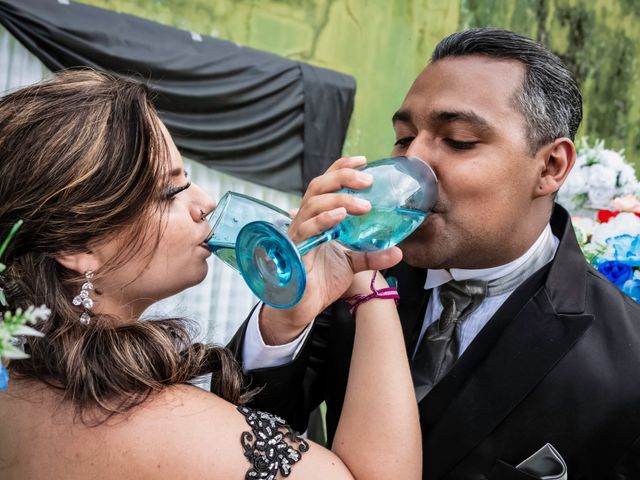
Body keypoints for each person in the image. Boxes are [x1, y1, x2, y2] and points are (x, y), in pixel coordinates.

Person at [230, 28, 640, 478]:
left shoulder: (626, 361)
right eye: (404, 138)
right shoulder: (353, 274)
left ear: (550, 167)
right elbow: (242, 439)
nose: (414, 161)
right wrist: (283, 321)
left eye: (459, 139)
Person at [0, 70, 423, 479]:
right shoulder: (169, 427)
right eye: (170, 191)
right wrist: (368, 287)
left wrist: (287, 318)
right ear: (76, 247)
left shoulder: (12, 382)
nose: (203, 203)